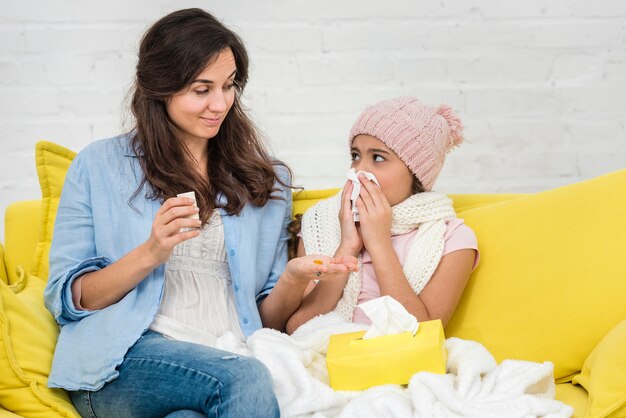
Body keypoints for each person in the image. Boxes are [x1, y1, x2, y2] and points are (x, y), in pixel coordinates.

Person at [43, 8, 356, 418]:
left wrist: (294, 280)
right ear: (160, 88)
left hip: (227, 351)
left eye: (229, 86)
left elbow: (264, 317)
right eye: (201, 89)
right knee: (244, 378)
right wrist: (151, 253)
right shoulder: (98, 166)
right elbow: (69, 298)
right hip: (126, 362)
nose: (220, 103)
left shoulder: (264, 179)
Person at [286, 97, 480, 334]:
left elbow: (422, 334)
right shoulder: (320, 222)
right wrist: (347, 247)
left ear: (416, 173)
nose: (359, 171)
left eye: (378, 158)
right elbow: (297, 329)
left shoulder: (452, 239)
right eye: (355, 156)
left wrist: (379, 244)